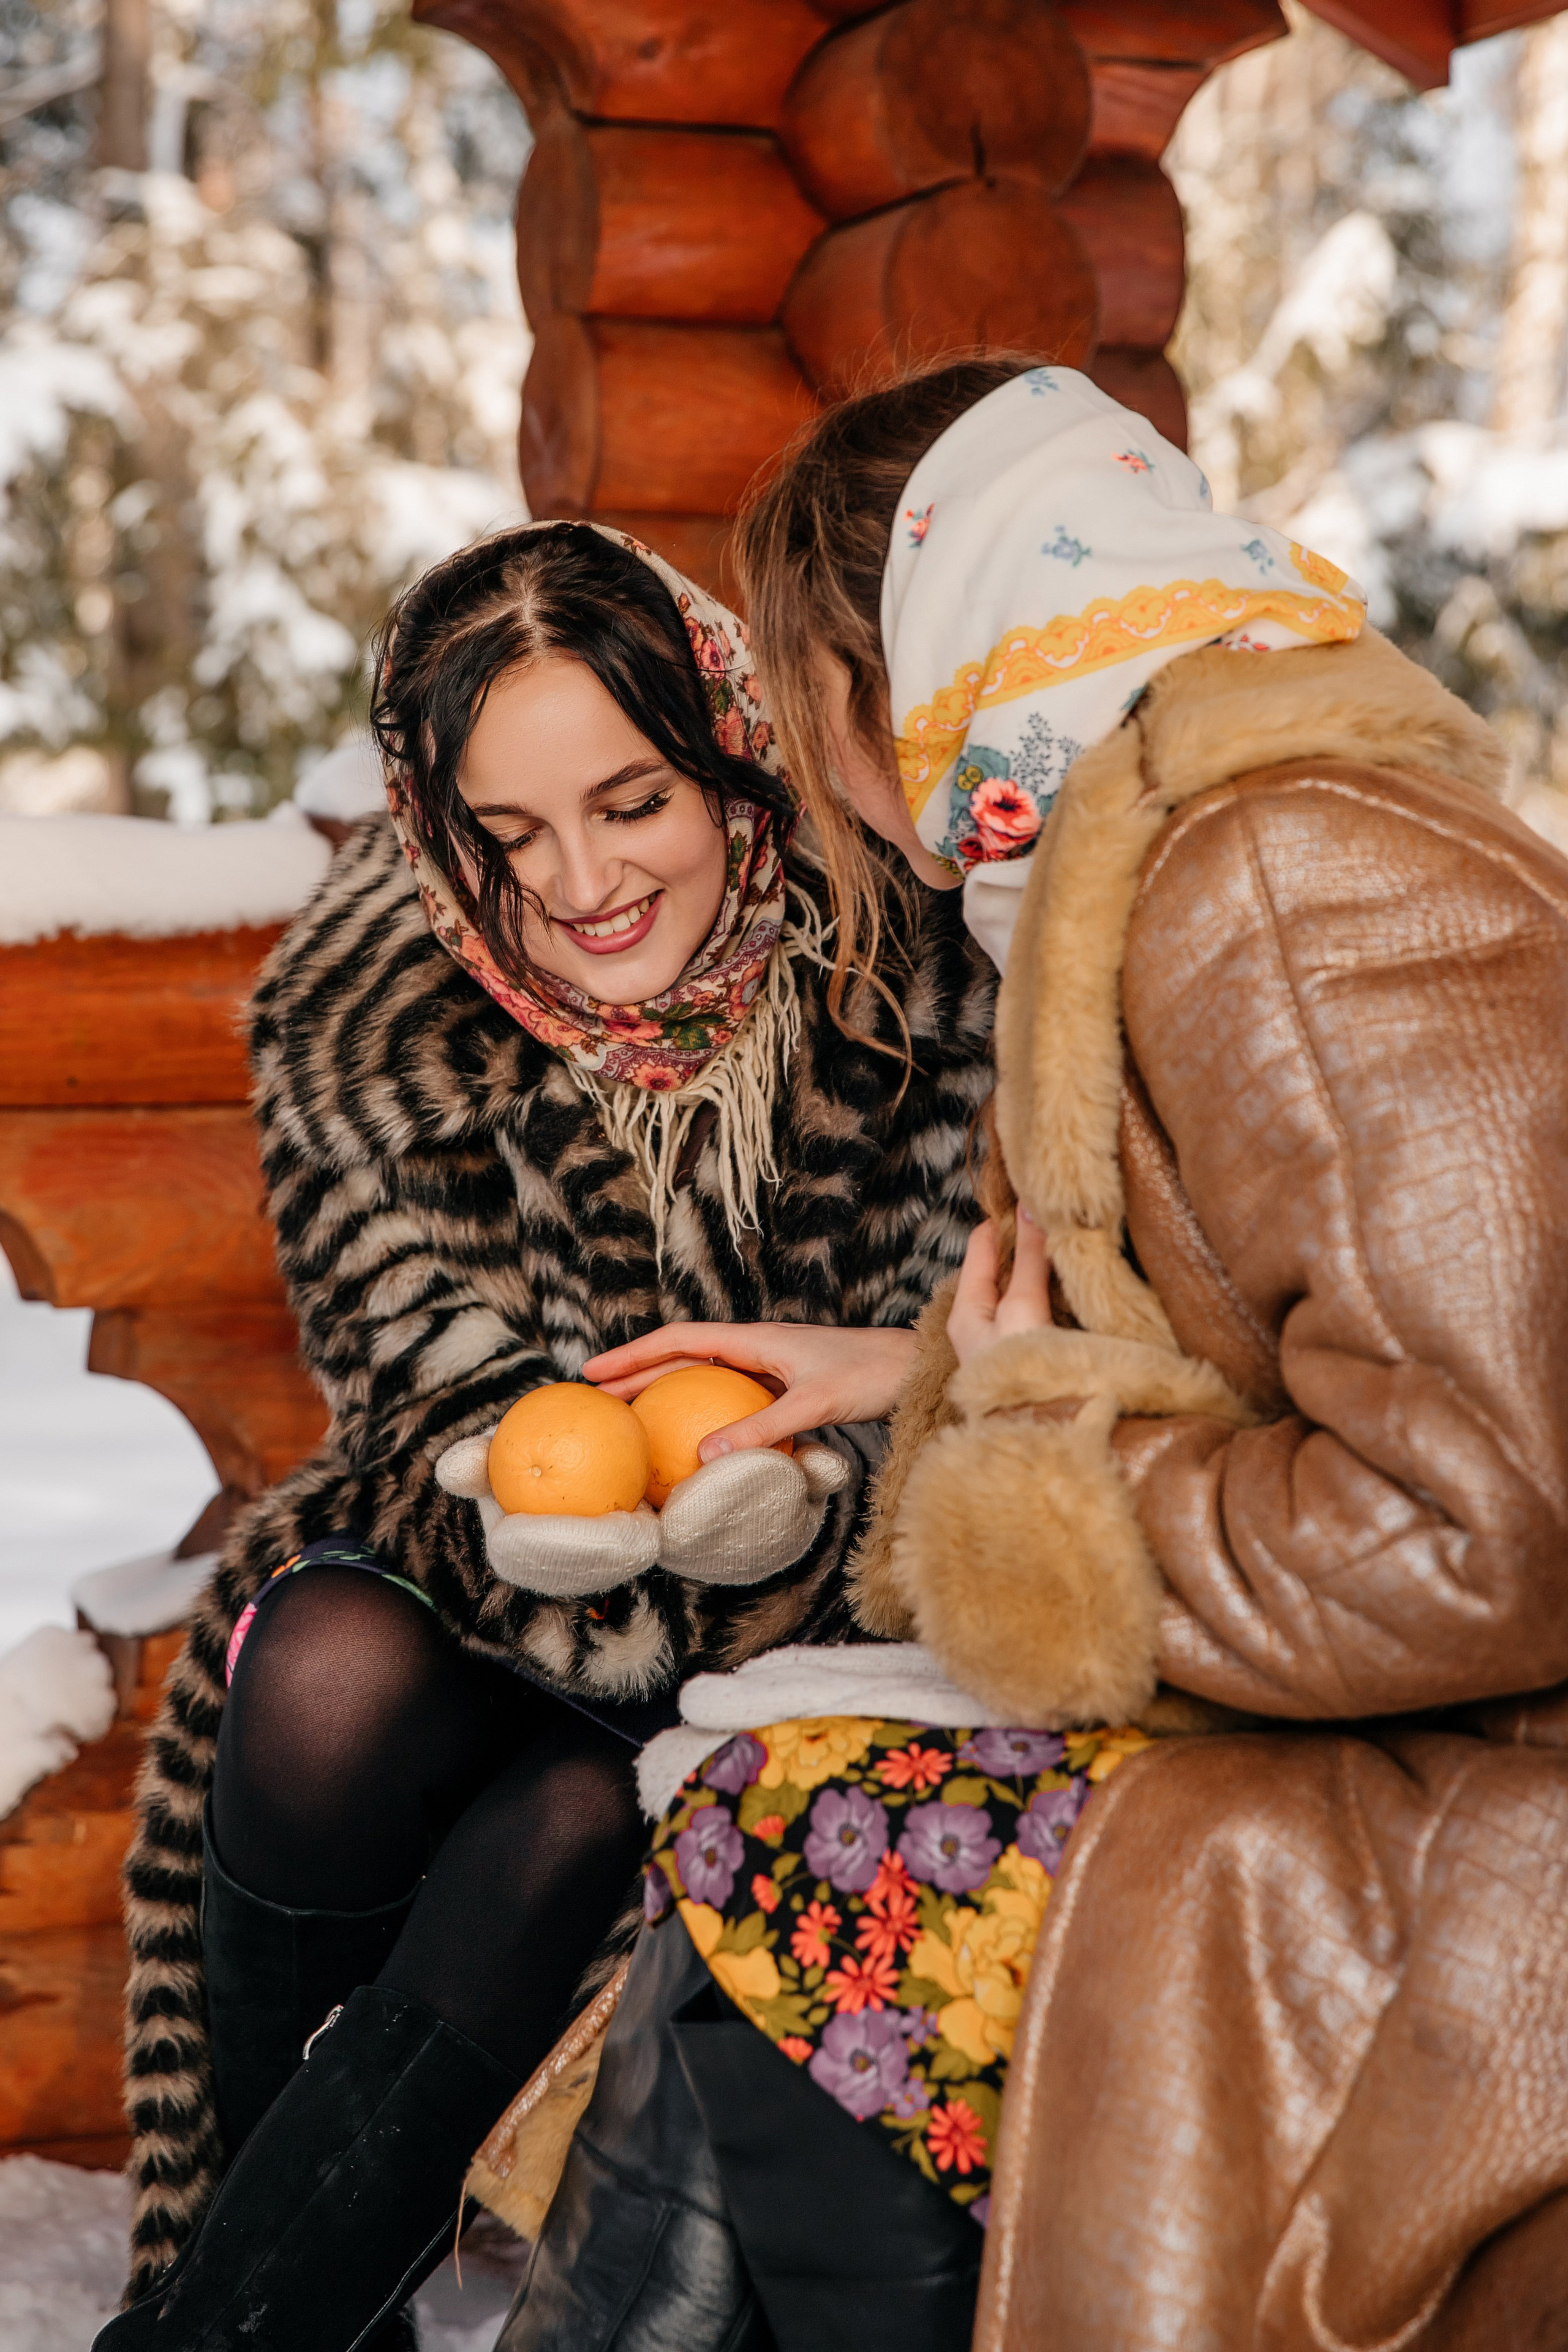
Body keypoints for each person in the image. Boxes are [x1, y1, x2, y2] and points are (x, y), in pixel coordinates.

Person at [508, 359, 1568, 2352]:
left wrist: (1031, 1480)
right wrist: (928, 1376)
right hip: (1444, 1743)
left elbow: (1485, 1525)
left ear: (897, 650)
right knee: (760, 1805)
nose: (824, 763)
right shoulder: (1181, 857)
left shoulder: (1268, 876)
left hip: (1504, 1803)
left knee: (800, 1839)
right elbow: (1366, 1348)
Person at [99, 520, 997, 2352]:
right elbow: (414, 1372)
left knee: (586, 1812)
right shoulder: (377, 1010)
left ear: (732, 751)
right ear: (440, 832)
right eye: (507, 839)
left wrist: (816, 1465)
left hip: (802, 1623)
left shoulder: (913, 978)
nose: (579, 885)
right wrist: (512, 1481)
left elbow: (983, 1356)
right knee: (318, 1663)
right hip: (495, 1580)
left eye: (632, 801)